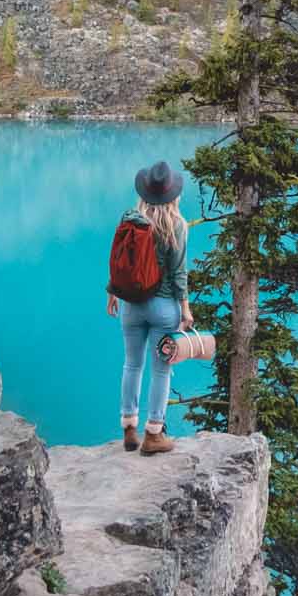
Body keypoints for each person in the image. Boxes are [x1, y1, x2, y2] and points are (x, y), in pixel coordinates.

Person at [109, 160, 194, 455]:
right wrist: (185, 309)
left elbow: (120, 260)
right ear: (172, 194)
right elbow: (179, 273)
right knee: (161, 371)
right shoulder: (177, 226)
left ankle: (128, 429)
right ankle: (154, 434)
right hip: (163, 307)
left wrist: (113, 292)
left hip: (131, 304)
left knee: (132, 364)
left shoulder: (130, 219)